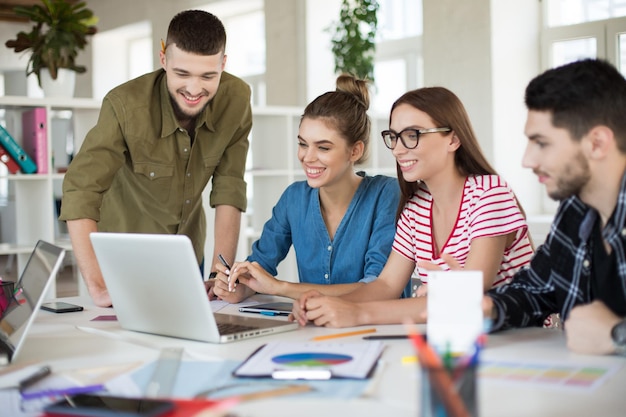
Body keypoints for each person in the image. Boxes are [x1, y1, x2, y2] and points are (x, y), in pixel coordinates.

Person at [291, 86, 534, 327]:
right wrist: (324, 304)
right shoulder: (416, 208)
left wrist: (356, 314)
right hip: (459, 341)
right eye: (394, 137)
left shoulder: (489, 193)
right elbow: (386, 286)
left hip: (522, 342)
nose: (397, 149)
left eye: (412, 135)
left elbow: (469, 291)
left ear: (453, 139)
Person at [59, 10, 252, 307]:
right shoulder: (124, 105)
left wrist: (219, 273)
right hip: (123, 259)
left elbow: (229, 186)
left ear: (223, 64)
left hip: (188, 254)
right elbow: (81, 189)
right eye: (182, 74)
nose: (193, 89)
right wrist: (98, 285)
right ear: (163, 58)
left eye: (208, 76)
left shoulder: (236, 99)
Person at [212, 74, 401, 303]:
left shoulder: (386, 194)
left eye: (323, 147)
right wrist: (239, 286)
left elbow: (375, 288)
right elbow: (260, 266)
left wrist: (280, 287)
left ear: (355, 151)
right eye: (303, 144)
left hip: (377, 331)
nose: (307, 157)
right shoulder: (294, 198)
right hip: (314, 331)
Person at [484, 59, 626, 356]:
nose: (527, 161)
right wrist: (489, 307)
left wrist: (617, 335)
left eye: (542, 143)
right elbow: (535, 290)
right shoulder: (574, 209)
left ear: (597, 143)